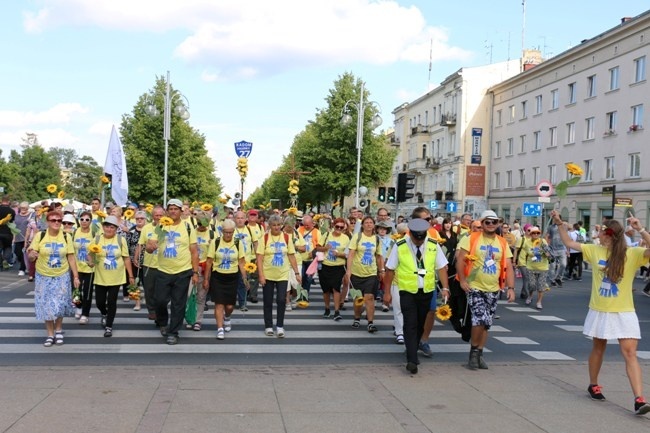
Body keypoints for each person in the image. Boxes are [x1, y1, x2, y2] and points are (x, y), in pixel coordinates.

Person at [550, 210, 650, 415]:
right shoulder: (594, 250)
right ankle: (593, 384)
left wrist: (641, 229)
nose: (599, 235)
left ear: (610, 235)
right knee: (599, 348)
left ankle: (639, 399)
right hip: (600, 310)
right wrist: (560, 223)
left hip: (624, 311)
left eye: (602, 232)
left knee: (630, 353)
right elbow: (569, 243)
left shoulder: (632, 254)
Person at [384, 218, 449, 374]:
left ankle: (412, 347)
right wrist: (387, 292)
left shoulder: (433, 245)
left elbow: (441, 268)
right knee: (410, 323)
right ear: (410, 234)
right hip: (407, 291)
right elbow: (390, 269)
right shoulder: (400, 246)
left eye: (421, 238)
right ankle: (412, 359)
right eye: (416, 238)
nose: (418, 242)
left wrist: (445, 288)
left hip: (426, 291)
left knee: (420, 323)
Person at [456, 210, 515, 370]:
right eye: (487, 222)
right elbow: (460, 260)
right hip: (475, 286)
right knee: (479, 319)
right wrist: (462, 280)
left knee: (487, 323)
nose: (490, 225)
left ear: (498, 225)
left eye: (494, 222)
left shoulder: (502, 242)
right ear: (481, 224)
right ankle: (474, 353)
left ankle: (479, 353)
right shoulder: (471, 238)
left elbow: (508, 266)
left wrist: (511, 288)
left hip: (494, 288)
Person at [149, 199, 199, 345]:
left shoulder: (188, 227)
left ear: (181, 211)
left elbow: (194, 251)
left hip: (183, 271)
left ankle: (173, 332)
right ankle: (163, 322)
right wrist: (150, 247)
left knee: (178, 303)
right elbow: (150, 246)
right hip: (163, 270)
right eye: (170, 209)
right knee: (160, 301)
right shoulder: (161, 226)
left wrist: (195, 272)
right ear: (167, 211)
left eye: (176, 209)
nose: (173, 211)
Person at [27, 209, 80, 346]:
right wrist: (33, 255)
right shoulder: (40, 235)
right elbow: (31, 255)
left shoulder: (66, 236)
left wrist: (75, 276)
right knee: (47, 306)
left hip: (61, 274)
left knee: (61, 304)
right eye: (53, 220)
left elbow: (71, 257)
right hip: (43, 275)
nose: (57, 223)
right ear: (48, 222)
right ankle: (50, 334)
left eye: (59, 220)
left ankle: (59, 329)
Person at [88, 215, 135, 337]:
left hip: (116, 276)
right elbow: (90, 254)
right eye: (107, 226)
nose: (109, 229)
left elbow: (126, 258)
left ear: (116, 229)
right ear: (103, 227)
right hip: (100, 276)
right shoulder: (97, 239)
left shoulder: (121, 240)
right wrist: (91, 262)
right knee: (100, 302)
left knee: (112, 301)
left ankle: (109, 326)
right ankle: (104, 313)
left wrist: (131, 276)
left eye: (112, 227)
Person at [257, 214, 301, 337]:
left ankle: (280, 326)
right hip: (268, 274)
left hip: (282, 274)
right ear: (269, 226)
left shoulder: (286, 238)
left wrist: (297, 273)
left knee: (281, 300)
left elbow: (291, 255)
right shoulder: (264, 238)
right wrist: (261, 275)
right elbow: (259, 258)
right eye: (274, 225)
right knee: (268, 301)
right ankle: (268, 326)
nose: (276, 228)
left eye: (278, 225)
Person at [204, 219, 248, 340]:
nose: (228, 235)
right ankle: (219, 328)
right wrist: (206, 279)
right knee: (219, 304)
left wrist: (245, 278)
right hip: (218, 276)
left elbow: (241, 261)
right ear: (222, 231)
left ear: (234, 232)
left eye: (230, 232)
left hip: (232, 277)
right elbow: (209, 262)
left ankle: (227, 317)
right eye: (226, 232)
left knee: (229, 306)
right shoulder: (216, 242)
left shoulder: (238, 243)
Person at [345, 216, 384, 333]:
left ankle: (370, 323)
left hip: (371, 273)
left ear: (374, 225)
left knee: (369, 297)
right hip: (356, 272)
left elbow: (379, 256)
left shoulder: (376, 239)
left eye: (371, 222)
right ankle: (357, 318)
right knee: (358, 298)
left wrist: (381, 270)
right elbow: (351, 254)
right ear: (362, 225)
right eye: (366, 223)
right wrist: (348, 270)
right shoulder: (357, 237)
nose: (368, 224)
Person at [315, 217, 349, 321]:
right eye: (337, 226)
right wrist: (325, 248)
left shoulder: (346, 238)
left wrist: (339, 254)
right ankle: (327, 308)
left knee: (336, 288)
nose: (339, 228)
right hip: (325, 265)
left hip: (338, 267)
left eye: (341, 227)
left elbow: (348, 254)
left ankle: (337, 311)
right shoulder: (326, 235)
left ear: (344, 228)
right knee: (326, 289)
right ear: (333, 226)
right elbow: (317, 247)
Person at [135, 206, 164, 321]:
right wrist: (136, 258)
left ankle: (160, 313)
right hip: (148, 265)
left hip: (164, 265)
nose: (158, 217)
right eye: (156, 215)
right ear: (152, 216)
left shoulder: (169, 227)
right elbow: (140, 244)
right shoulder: (146, 228)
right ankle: (152, 311)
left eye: (161, 215)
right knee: (149, 290)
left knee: (161, 293)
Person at [72, 211, 96, 323]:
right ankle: (78, 307)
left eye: (87, 219)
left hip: (89, 267)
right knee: (76, 289)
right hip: (77, 266)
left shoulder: (94, 233)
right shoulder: (75, 232)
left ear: (91, 221)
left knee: (87, 291)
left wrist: (93, 260)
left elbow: (98, 248)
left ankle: (85, 314)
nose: (84, 222)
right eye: (82, 219)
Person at [522, 226, 551, 309]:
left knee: (541, 286)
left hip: (543, 268)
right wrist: (537, 249)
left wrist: (546, 252)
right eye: (533, 233)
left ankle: (539, 302)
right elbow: (530, 254)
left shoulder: (543, 241)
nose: (536, 234)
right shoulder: (527, 242)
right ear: (530, 234)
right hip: (531, 267)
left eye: (538, 233)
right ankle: (530, 296)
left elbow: (547, 253)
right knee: (532, 285)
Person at [126, 211, 147, 311]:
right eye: (137, 218)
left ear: (145, 219)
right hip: (133, 260)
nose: (139, 220)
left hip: (148, 261)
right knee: (135, 282)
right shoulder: (131, 230)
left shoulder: (149, 229)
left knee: (147, 282)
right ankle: (137, 302)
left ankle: (148, 299)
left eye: (141, 218)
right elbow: (127, 245)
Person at [545, 218, 567, 288]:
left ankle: (558, 278)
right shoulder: (551, 227)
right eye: (554, 219)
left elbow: (569, 230)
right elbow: (547, 236)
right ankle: (552, 280)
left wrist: (568, 250)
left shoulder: (563, 226)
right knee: (552, 266)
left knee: (563, 264)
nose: (554, 220)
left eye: (556, 218)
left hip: (562, 249)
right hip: (552, 249)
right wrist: (545, 247)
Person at [12, 202, 32, 276]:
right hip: (18, 237)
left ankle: (22, 269)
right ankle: (26, 264)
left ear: (27, 208)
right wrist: (13, 237)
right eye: (22, 208)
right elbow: (14, 226)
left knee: (24, 253)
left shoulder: (31, 215)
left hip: (27, 237)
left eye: (25, 208)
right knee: (17, 252)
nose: (23, 209)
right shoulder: (16, 216)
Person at [0, 195, 16, 270]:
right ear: (8, 202)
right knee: (7, 247)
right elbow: (12, 221)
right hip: (8, 232)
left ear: (1, 201)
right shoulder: (11, 211)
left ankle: (1, 262)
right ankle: (5, 259)